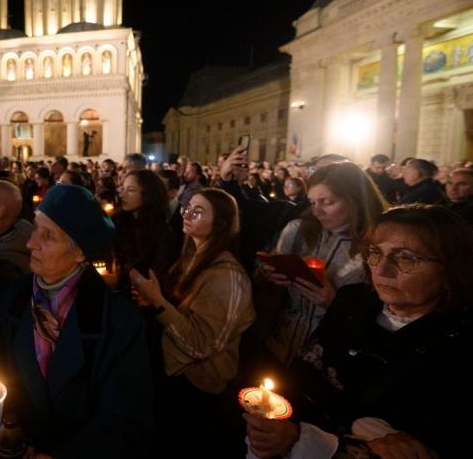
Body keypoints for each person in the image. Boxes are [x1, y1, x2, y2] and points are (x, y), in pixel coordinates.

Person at [244, 205, 473, 459]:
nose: (382, 270)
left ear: (450, 267)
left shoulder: (460, 347)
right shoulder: (351, 301)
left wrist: (311, 440)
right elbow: (303, 375)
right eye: (375, 252)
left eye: (406, 257)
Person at [0, 184, 153, 458]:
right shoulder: (10, 298)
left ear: (80, 252)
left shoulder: (119, 322)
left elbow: (124, 416)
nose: (30, 242)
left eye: (48, 236)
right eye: (36, 227)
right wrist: (6, 428)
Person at [131, 188, 254, 455]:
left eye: (198, 211)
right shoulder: (192, 257)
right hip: (175, 371)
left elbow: (201, 344)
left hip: (198, 383)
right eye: (187, 208)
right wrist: (153, 298)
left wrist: (157, 302)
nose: (187, 214)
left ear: (220, 223)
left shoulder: (226, 276)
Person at [260, 163, 387, 366]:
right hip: (278, 344)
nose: (317, 212)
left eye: (327, 202)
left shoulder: (378, 246)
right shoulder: (297, 231)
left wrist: (333, 303)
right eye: (312, 202)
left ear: (355, 199)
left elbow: (382, 317)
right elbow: (265, 284)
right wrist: (270, 274)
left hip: (329, 359)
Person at [114, 170, 177, 297]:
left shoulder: (162, 231)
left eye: (131, 190)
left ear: (148, 194)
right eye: (123, 188)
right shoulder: (117, 222)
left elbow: (159, 272)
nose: (123, 195)